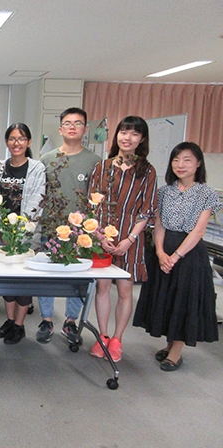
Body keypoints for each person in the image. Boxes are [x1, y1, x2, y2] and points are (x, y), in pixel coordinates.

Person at [133, 142, 221, 371]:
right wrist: (161, 252)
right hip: (163, 250)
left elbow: (199, 230)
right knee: (167, 298)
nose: (181, 165)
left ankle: (176, 351)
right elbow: (159, 224)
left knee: (184, 299)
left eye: (187, 159)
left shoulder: (206, 193)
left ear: (198, 163)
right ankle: (170, 343)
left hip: (190, 254)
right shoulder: (164, 191)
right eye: (176, 160)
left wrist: (176, 256)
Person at [88, 115, 157, 362]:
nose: (127, 138)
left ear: (142, 139)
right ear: (116, 135)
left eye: (134, 134)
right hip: (102, 237)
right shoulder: (102, 168)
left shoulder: (147, 171)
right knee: (103, 288)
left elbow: (147, 209)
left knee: (125, 291)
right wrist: (98, 235)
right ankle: (103, 336)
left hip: (131, 238)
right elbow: (92, 205)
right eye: (124, 132)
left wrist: (129, 238)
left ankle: (117, 340)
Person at [35, 108, 101, 344]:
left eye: (78, 123)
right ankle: (46, 319)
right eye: (67, 123)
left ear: (84, 129)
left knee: (77, 278)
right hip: (51, 227)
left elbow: (97, 198)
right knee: (48, 277)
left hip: (81, 232)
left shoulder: (94, 161)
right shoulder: (47, 159)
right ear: (60, 129)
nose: (72, 127)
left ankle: (71, 321)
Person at [0, 123, 46, 344]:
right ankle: (9, 320)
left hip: (26, 234)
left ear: (29, 142)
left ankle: (20, 325)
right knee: (6, 280)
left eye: (21, 138)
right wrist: (1, 231)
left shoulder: (36, 168)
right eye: (12, 139)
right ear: (6, 142)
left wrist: (20, 234)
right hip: (2, 233)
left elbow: (37, 202)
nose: (17, 143)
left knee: (23, 281)